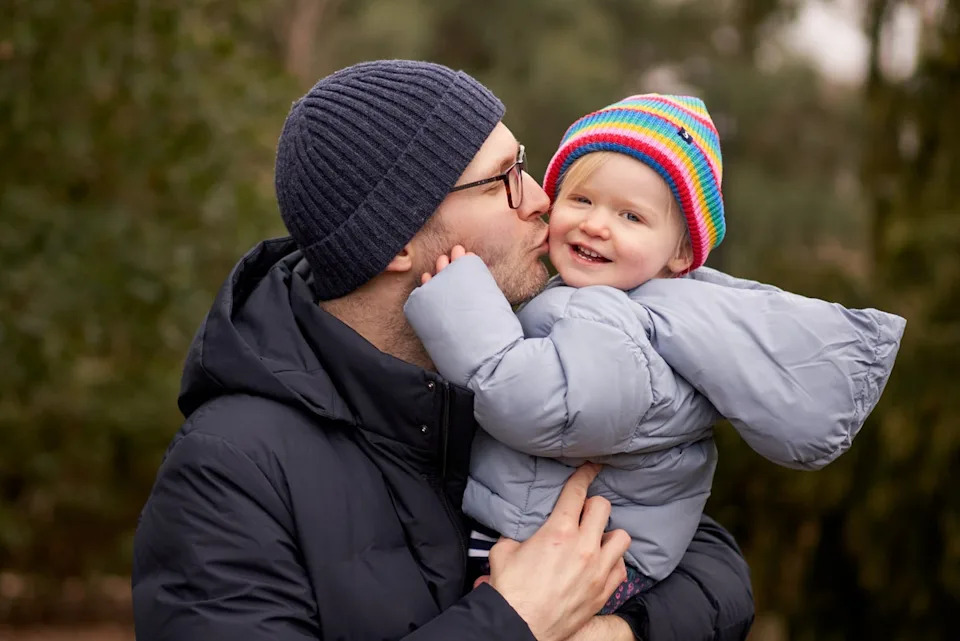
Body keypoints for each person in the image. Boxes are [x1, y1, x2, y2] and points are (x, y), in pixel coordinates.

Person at [131, 62, 755, 641]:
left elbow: (710, 561)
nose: (542, 198)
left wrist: (623, 630)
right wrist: (516, 621)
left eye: (524, 165)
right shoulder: (228, 471)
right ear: (397, 241)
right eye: (502, 180)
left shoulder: (522, 376)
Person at [404, 95, 906, 613]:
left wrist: (461, 307)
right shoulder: (613, 306)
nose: (597, 225)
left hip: (568, 560)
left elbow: (540, 407)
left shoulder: (620, 325)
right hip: (552, 536)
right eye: (582, 200)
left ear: (681, 254)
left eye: (631, 216)